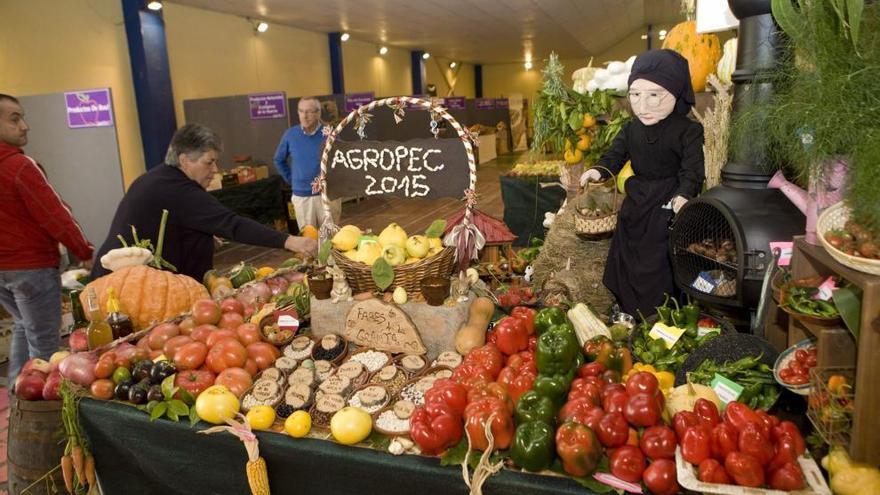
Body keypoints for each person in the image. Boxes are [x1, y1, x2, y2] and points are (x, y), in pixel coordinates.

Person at [91, 124, 316, 282]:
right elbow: (232, 225)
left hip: (122, 279)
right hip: (120, 289)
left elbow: (171, 223)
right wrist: (289, 241)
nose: (215, 170)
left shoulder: (156, 178)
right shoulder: (179, 189)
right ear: (184, 160)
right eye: (209, 163)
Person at [580, 49, 705, 316]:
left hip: (667, 204)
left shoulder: (688, 131)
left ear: (675, 92)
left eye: (654, 95)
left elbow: (692, 169)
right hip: (636, 202)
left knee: (659, 261)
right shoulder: (630, 129)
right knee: (628, 257)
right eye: (635, 95)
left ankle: (660, 312)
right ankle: (628, 308)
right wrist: (599, 170)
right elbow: (614, 156)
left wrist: (684, 194)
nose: (643, 106)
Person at [0, 94, 94, 383]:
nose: (25, 126)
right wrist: (83, 249)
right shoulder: (20, 166)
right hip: (31, 268)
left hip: (3, 272)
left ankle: (20, 395)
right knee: (45, 347)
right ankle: (46, 418)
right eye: (14, 119)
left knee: (24, 327)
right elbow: (54, 214)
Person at [274, 97, 341, 230]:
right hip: (302, 197)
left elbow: (341, 160)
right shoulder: (290, 135)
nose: (304, 116)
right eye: (301, 111)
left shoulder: (329, 134)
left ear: (318, 113)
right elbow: (278, 160)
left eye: (309, 112)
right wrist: (292, 180)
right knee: (308, 240)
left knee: (331, 240)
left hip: (328, 197)